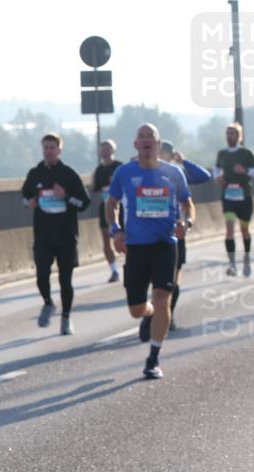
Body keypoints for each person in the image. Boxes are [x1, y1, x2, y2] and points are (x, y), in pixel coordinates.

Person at [106, 123, 193, 379]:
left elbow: (188, 204)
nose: (146, 140)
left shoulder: (173, 173)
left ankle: (153, 358)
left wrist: (186, 223)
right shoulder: (124, 173)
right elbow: (111, 205)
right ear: (136, 144)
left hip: (165, 244)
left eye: (151, 137)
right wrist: (116, 231)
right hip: (136, 246)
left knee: (162, 297)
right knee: (136, 309)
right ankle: (149, 313)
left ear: (158, 143)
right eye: (141, 137)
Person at [21, 133, 91, 335]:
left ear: (60, 150)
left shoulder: (69, 174)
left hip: (66, 236)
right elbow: (24, 197)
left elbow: (84, 203)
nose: (49, 151)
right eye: (45, 147)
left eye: (52, 147)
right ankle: (48, 302)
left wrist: (66, 196)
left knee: (65, 280)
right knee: (41, 275)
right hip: (43, 235)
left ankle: (66, 318)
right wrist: (29, 202)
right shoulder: (35, 173)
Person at [160, 140, 211, 330]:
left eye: (166, 153)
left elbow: (204, 176)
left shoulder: (178, 173)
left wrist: (184, 161)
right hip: (152, 231)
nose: (161, 156)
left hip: (175, 231)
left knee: (173, 278)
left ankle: (168, 316)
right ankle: (156, 313)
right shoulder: (147, 172)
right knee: (156, 280)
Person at [214, 122, 254, 277]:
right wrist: (217, 177)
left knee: (244, 230)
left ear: (240, 136)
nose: (229, 136)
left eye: (233, 133)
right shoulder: (222, 154)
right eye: (228, 133)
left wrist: (245, 170)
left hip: (244, 196)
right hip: (228, 197)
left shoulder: (246, 153)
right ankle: (232, 263)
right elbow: (216, 168)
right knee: (229, 229)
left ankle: (246, 257)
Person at [92, 139, 123, 282]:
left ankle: (134, 265)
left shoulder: (120, 167)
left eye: (108, 148)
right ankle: (114, 270)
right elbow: (95, 188)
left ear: (113, 150)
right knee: (106, 239)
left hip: (122, 207)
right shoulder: (98, 170)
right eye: (102, 149)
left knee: (126, 236)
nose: (105, 151)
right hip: (105, 207)